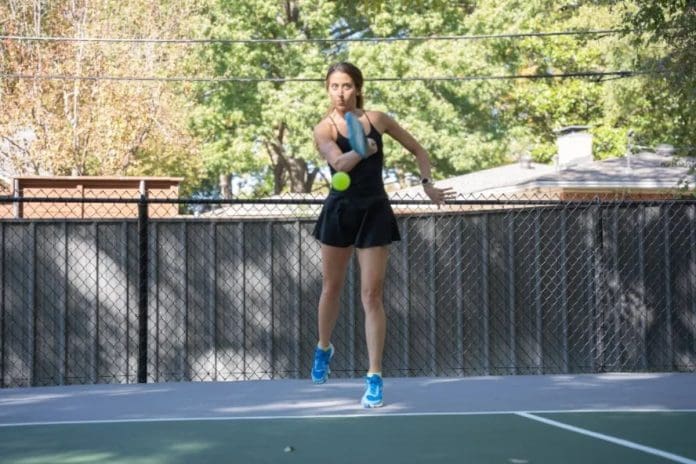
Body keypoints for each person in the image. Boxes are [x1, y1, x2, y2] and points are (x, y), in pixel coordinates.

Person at [311, 62, 454, 408]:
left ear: (358, 88)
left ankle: (374, 376)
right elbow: (339, 165)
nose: (340, 92)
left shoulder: (379, 120)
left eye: (346, 86)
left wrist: (426, 184)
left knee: (371, 295)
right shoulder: (324, 129)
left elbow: (420, 151)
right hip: (340, 210)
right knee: (331, 287)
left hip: (374, 210)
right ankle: (323, 348)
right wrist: (363, 151)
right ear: (327, 90)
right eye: (334, 86)